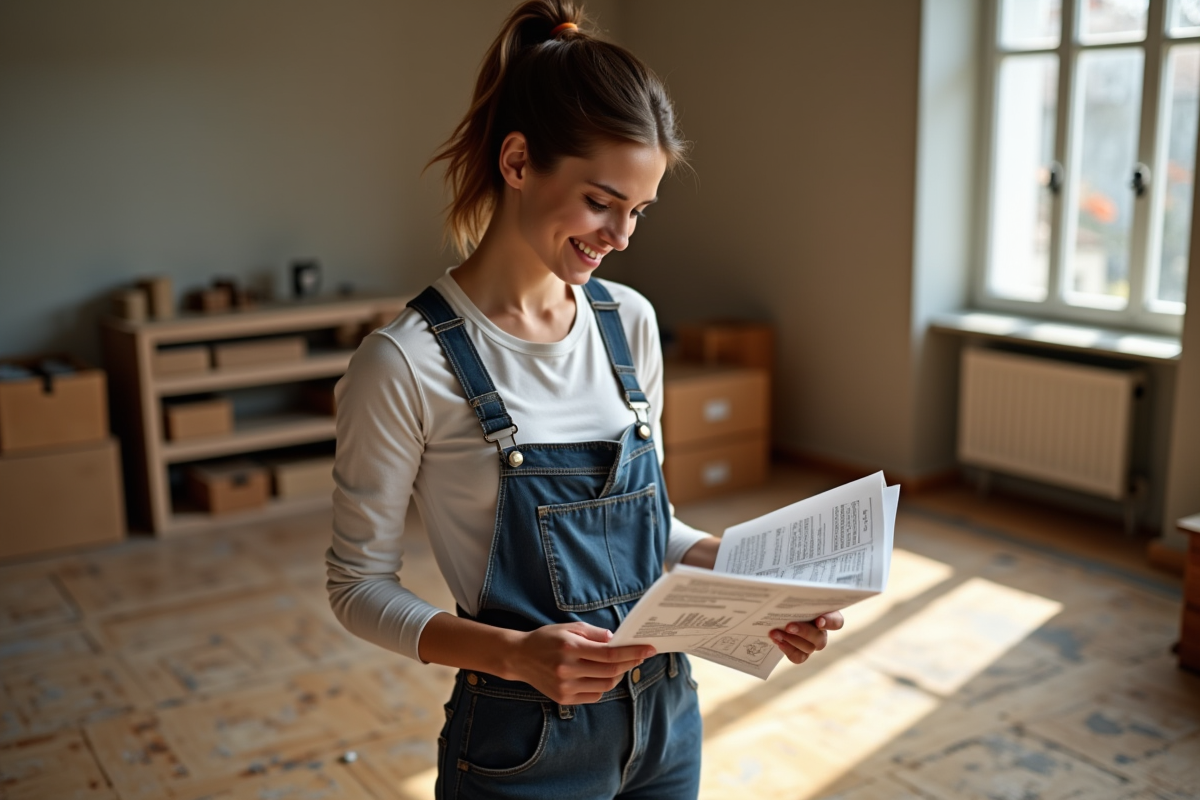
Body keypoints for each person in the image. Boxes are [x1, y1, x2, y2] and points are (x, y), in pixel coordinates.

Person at [325, 2, 844, 797]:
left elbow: (646, 531)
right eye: (602, 201)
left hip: (668, 721)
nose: (622, 235)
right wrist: (514, 654)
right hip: (522, 744)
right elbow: (357, 588)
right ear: (519, 161)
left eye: (637, 211)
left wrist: (749, 582)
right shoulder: (403, 363)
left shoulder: (628, 322)